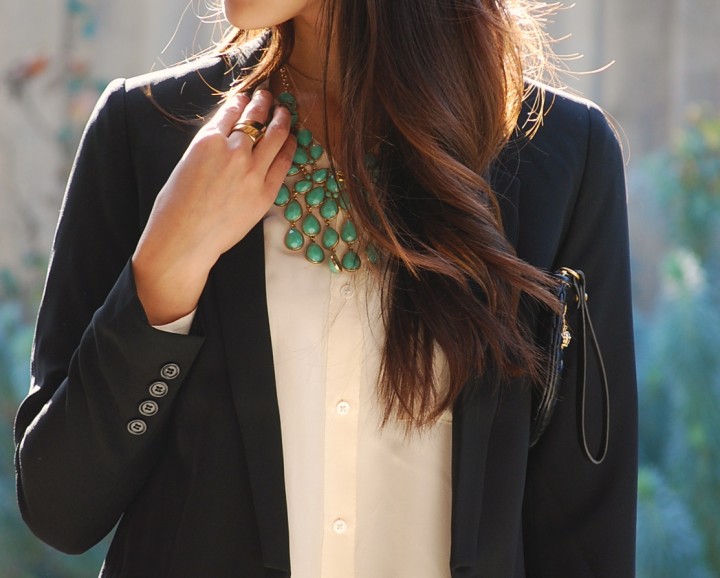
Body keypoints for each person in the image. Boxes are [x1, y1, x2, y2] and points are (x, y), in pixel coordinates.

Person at [13, 0, 638, 576]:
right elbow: (60, 510)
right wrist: (164, 274)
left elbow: (587, 538)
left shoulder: (561, 156)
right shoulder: (145, 133)